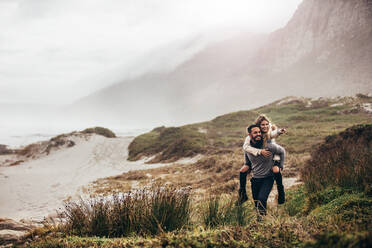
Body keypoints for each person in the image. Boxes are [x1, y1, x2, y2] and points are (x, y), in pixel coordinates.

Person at [240, 115, 287, 205]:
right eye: (262, 125)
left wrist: (279, 131)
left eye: (267, 124)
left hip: (274, 156)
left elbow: (274, 135)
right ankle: (242, 194)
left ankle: (281, 192)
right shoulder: (251, 137)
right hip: (253, 158)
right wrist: (249, 162)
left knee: (276, 170)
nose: (265, 126)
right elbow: (246, 148)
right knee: (243, 170)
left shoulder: (268, 138)